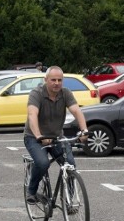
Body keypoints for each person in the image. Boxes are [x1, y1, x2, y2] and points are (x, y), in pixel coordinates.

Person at [24, 66, 89, 203]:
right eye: (53, 80)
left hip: (56, 137)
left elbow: (77, 111)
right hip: (34, 137)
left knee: (70, 164)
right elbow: (32, 114)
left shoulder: (65, 93)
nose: (56, 83)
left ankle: (69, 200)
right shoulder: (37, 93)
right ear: (46, 80)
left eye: (59, 80)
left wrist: (84, 130)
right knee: (42, 163)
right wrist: (38, 136)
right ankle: (31, 191)